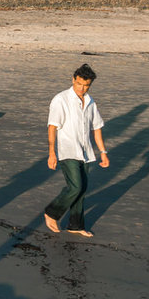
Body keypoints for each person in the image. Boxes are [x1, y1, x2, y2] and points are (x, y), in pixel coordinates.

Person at [43, 63, 109, 238]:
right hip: (67, 151)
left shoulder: (90, 101)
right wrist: (52, 153)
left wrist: (103, 152)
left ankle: (75, 225)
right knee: (75, 186)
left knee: (82, 189)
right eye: (79, 83)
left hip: (85, 152)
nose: (82, 88)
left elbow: (97, 127)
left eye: (86, 85)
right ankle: (52, 212)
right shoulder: (61, 99)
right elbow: (52, 126)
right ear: (73, 79)